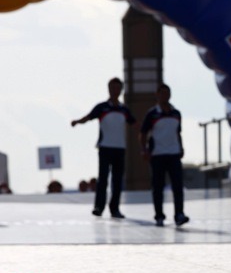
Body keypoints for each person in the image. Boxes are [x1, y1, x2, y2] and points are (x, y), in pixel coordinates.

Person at [71, 77, 136, 218]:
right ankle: (99, 207)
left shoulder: (124, 109)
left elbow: (134, 123)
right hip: (105, 147)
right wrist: (77, 121)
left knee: (117, 180)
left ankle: (115, 208)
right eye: (112, 87)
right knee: (103, 178)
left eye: (117, 88)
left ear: (121, 90)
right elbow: (88, 117)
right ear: (108, 89)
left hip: (120, 148)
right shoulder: (102, 107)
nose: (115, 90)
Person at [139, 83, 189, 227]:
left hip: (173, 154)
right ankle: (159, 215)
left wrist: (181, 147)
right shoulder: (152, 113)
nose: (164, 96)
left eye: (167, 93)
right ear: (157, 95)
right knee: (158, 187)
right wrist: (144, 149)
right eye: (162, 93)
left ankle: (179, 214)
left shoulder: (176, 113)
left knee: (178, 186)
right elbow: (142, 133)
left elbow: (178, 132)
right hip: (158, 155)